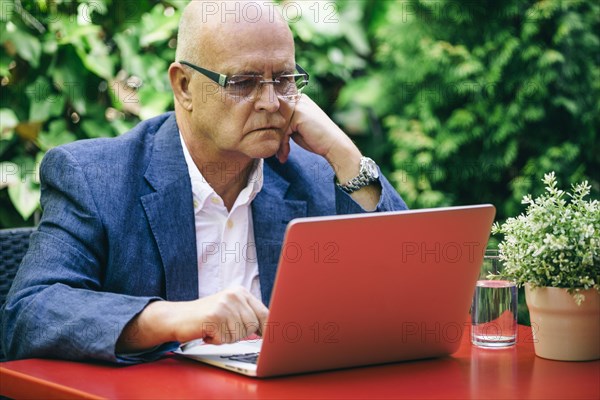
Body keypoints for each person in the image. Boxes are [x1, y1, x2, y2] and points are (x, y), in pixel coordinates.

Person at [1, 1, 407, 363]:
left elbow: (409, 293)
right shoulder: (93, 177)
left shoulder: (316, 173)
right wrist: (173, 318)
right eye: (244, 82)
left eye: (283, 80)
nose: (270, 102)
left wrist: (346, 155)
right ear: (183, 86)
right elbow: (29, 314)